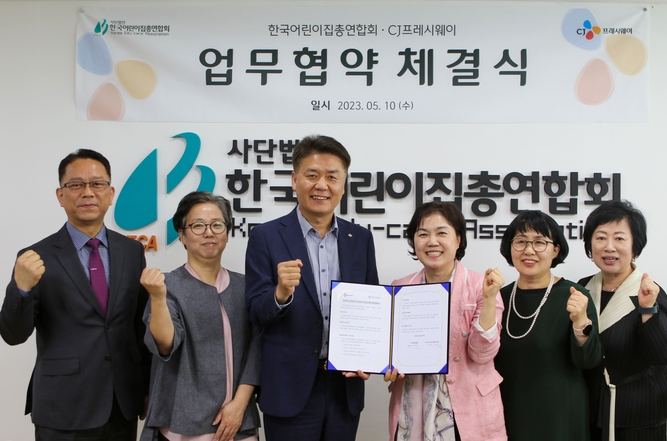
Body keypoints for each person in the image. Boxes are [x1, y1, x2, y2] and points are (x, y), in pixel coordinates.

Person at [0, 149, 150, 440]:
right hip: (62, 407)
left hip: (121, 403)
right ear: (60, 195)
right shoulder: (35, 256)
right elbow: (13, 335)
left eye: (97, 184)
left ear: (111, 193)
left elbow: (139, 327)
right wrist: (22, 288)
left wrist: (145, 387)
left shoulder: (132, 251)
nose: (88, 192)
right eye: (76, 184)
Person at [245, 134, 379, 441]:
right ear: (295, 180)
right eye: (312, 175)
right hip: (288, 389)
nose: (322, 185)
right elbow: (254, 311)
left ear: (343, 184)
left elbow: (372, 308)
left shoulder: (360, 238)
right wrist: (280, 294)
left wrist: (371, 357)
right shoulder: (266, 236)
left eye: (332, 177)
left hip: (344, 386)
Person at [139, 191, 261, 441]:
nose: (209, 232)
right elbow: (165, 344)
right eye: (198, 226)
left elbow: (257, 349)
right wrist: (158, 298)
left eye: (217, 225)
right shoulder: (167, 285)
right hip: (183, 423)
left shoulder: (246, 287)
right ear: (182, 235)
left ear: (227, 232)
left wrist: (239, 404)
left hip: (237, 421)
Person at [384, 201, 507, 441]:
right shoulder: (400, 288)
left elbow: (482, 354)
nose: (432, 242)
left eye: (442, 233)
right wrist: (388, 366)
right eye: (423, 234)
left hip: (468, 407)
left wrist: (489, 299)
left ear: (458, 239)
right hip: (413, 401)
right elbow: (391, 350)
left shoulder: (482, 286)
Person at [494, 210, 603, 441]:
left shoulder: (574, 295)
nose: (529, 250)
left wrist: (580, 322)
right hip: (507, 412)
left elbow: (590, 361)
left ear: (555, 250)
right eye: (520, 241)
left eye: (539, 242)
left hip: (560, 417)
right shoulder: (499, 297)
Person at [579, 200, 667, 441]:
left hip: (638, 418)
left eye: (619, 239)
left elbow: (663, 355)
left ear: (635, 247)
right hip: (590, 414)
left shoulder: (650, 292)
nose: (609, 247)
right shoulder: (581, 289)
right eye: (601, 238)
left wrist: (647, 309)